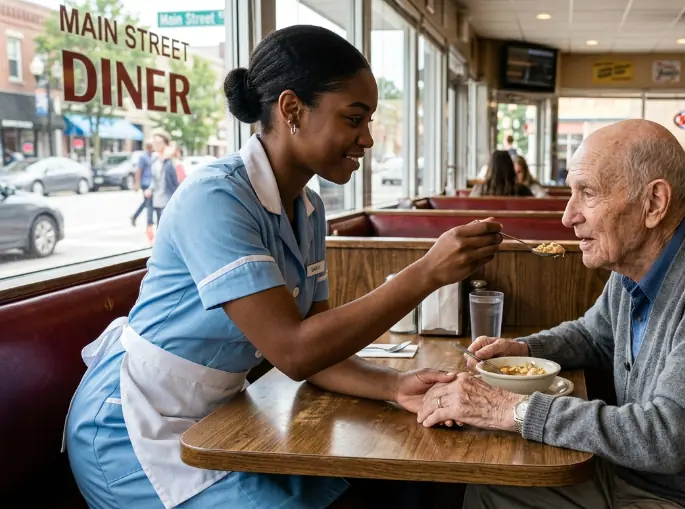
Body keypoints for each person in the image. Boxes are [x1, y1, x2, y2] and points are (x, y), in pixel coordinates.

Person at [63, 25, 503, 509]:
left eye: (369, 120)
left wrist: (395, 386)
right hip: (134, 427)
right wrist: (426, 273)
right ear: (292, 110)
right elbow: (292, 351)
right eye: (354, 118)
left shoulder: (308, 209)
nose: (368, 139)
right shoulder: (215, 197)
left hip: (222, 420)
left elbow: (318, 345)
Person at [417, 120, 685, 509]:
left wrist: (511, 409)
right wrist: (519, 349)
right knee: (487, 489)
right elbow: (592, 336)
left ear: (653, 203)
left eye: (587, 194)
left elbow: (668, 438)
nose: (568, 217)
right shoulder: (638, 261)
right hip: (640, 478)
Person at [145, 135, 181, 243]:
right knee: (160, 229)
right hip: (157, 199)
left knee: (169, 230)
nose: (155, 145)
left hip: (169, 199)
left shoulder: (171, 161)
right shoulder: (155, 160)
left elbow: (177, 181)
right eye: (154, 142)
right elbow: (155, 179)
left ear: (166, 144)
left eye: (159, 142)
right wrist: (150, 189)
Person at [130, 143, 154, 227]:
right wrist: (137, 183)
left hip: (152, 183)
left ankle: (135, 216)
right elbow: (139, 171)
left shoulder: (154, 157)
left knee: (147, 202)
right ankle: (149, 222)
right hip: (145, 183)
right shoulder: (143, 157)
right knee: (149, 203)